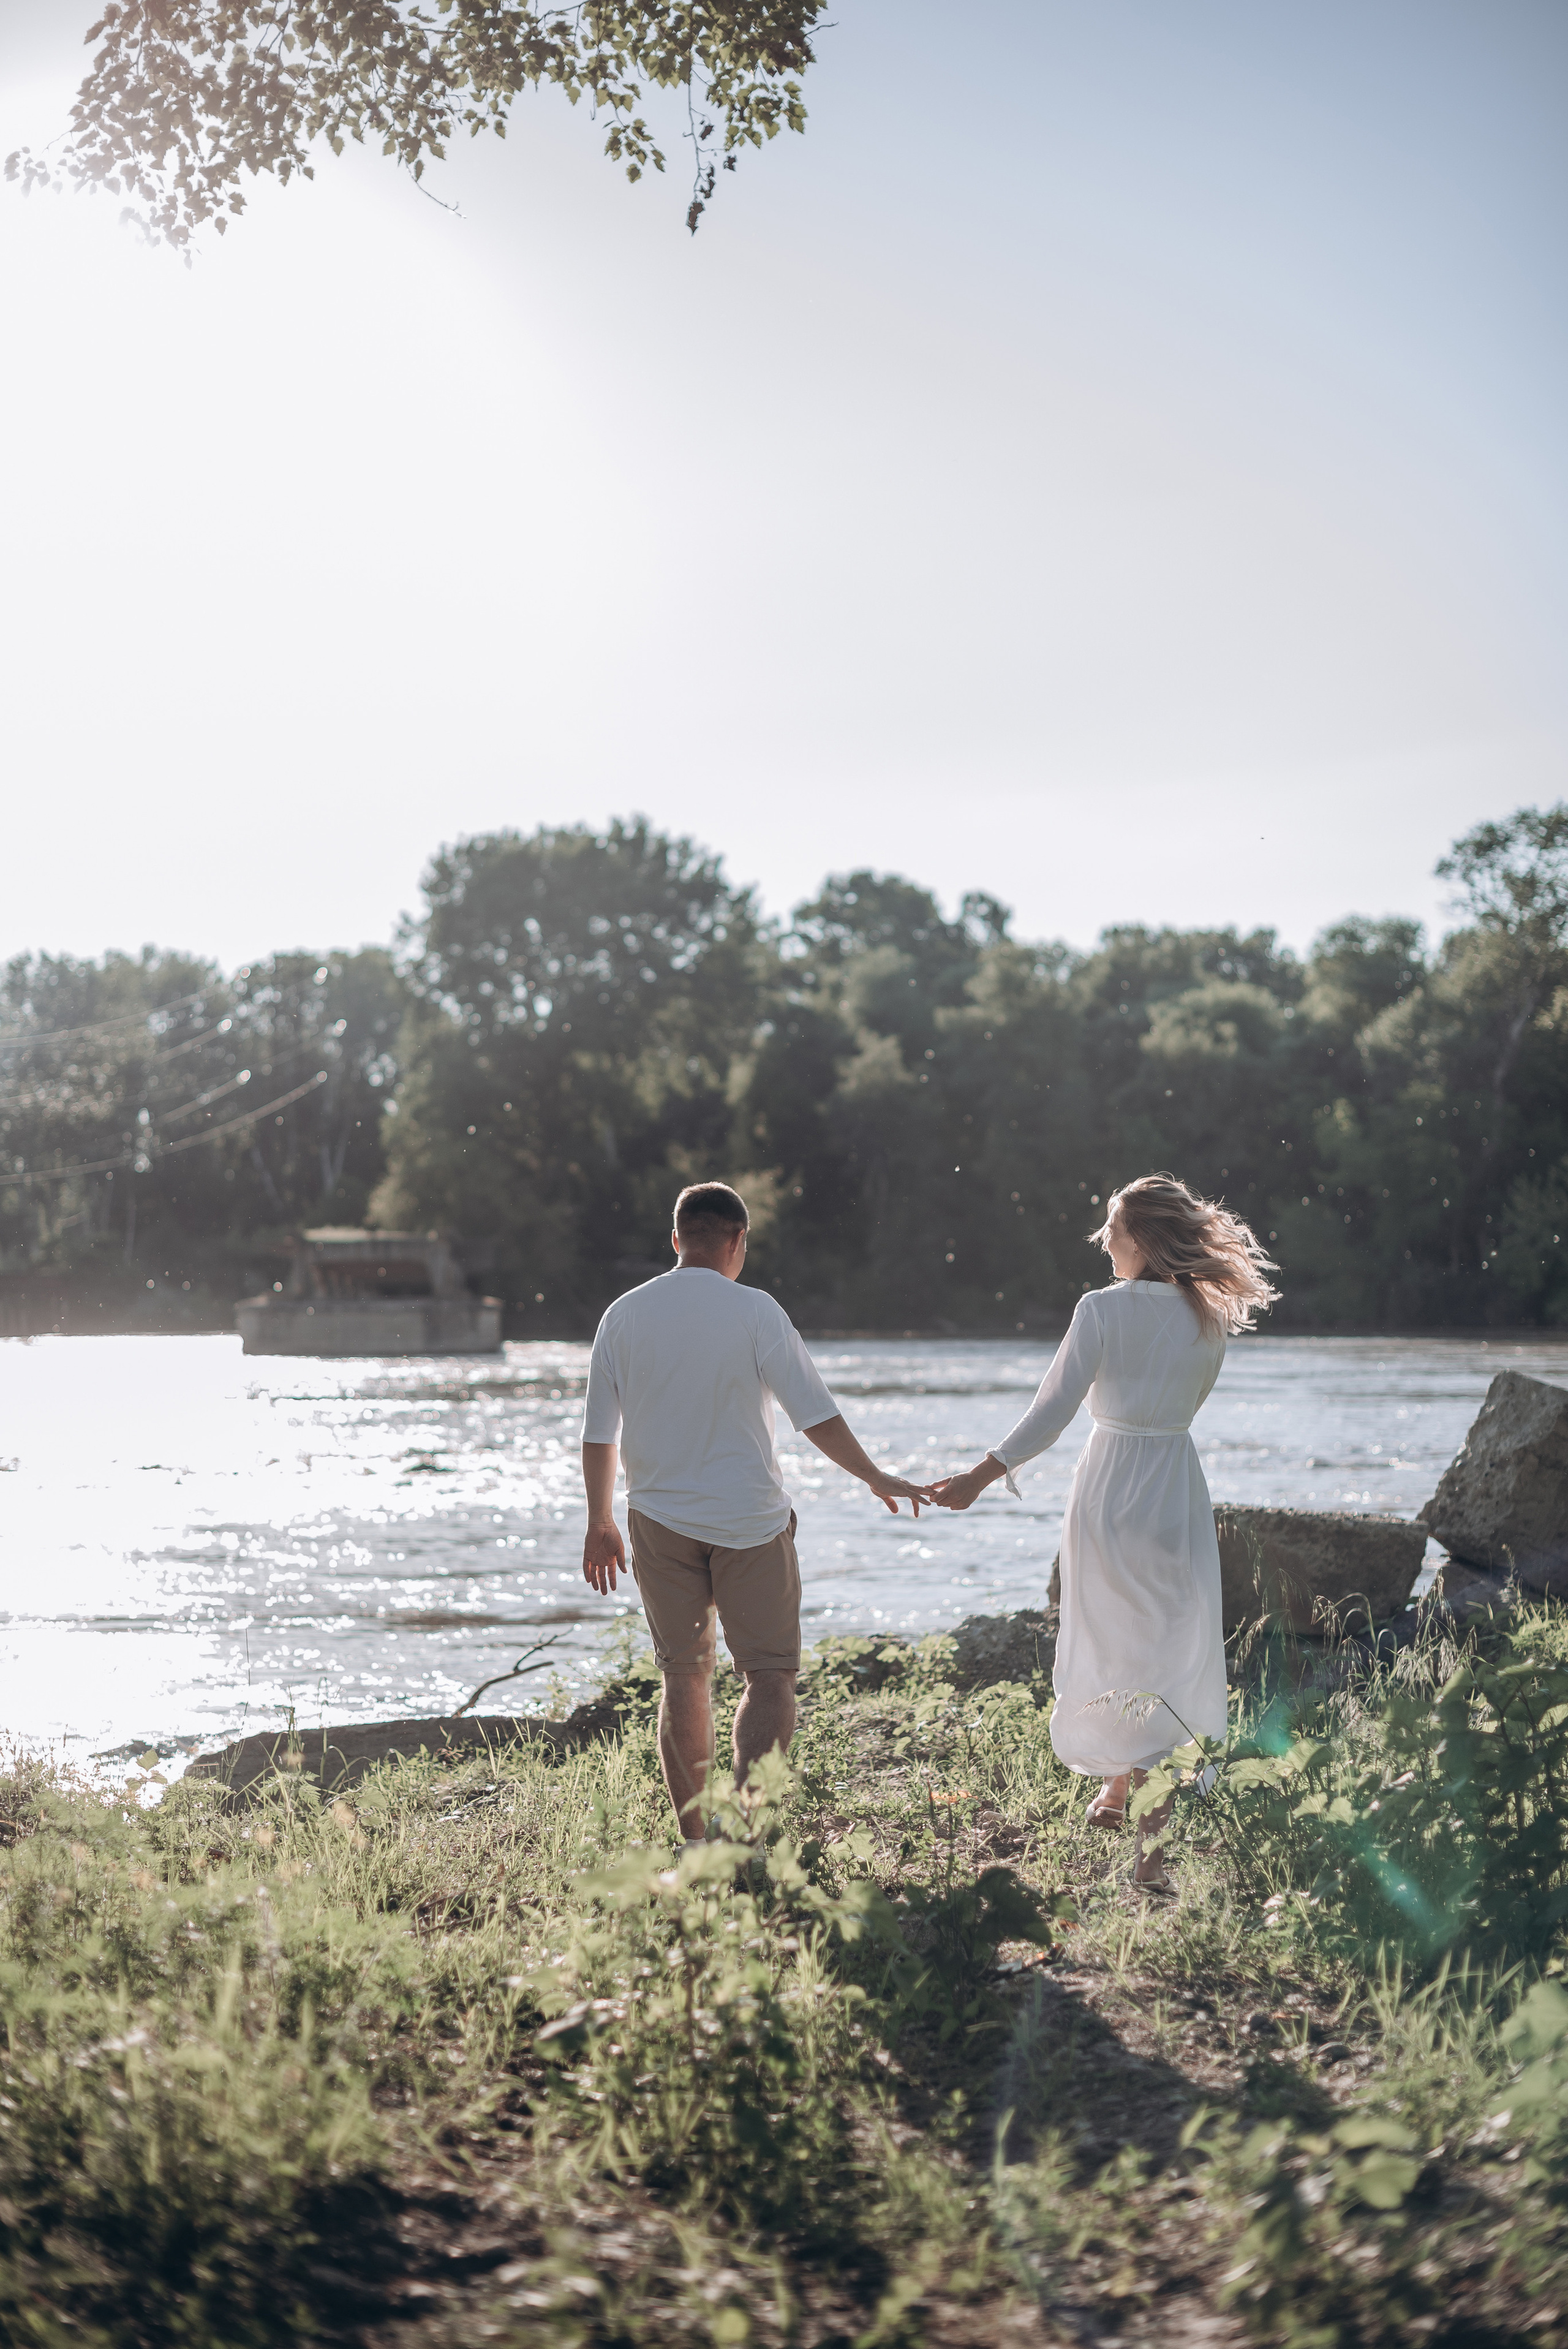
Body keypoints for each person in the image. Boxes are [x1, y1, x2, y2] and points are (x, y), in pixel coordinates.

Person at [930, 1174, 1280, 1889]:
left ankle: (1122, 1793)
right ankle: (1136, 1828)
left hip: (1109, 1486)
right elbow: (1182, 1399)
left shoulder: (1099, 1310)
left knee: (1107, 1637)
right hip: (1175, 1487)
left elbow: (1053, 1410)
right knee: (1165, 1651)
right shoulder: (1208, 1316)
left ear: (1143, 1240)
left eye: (1112, 1230)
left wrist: (977, 1476)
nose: (1103, 1242)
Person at [581, 1181, 930, 1848]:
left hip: (657, 1519)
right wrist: (874, 1475)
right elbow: (815, 1416)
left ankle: (694, 1844)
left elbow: (600, 1436)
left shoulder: (622, 1315)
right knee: (767, 1676)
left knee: (684, 1674)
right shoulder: (756, 1310)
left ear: (676, 1239)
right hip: (752, 1523)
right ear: (739, 1241)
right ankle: (742, 1833)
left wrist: (600, 1521)